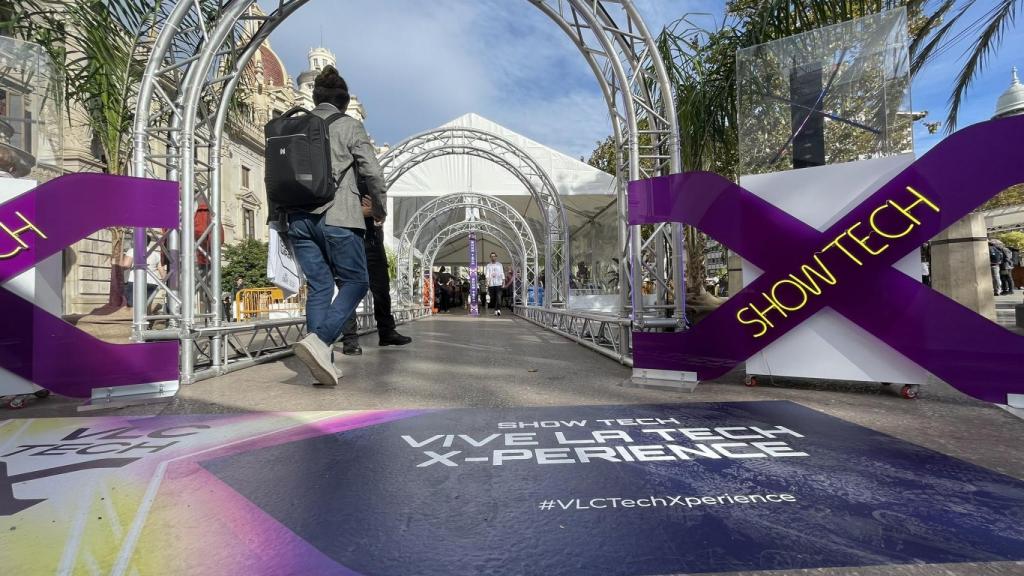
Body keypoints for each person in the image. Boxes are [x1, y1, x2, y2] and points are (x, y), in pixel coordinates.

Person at [275, 65, 386, 386]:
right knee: (356, 281)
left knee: (320, 287)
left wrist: (279, 219)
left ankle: (323, 362)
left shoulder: (293, 126)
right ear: (343, 103)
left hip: (299, 219)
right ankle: (321, 341)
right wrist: (379, 209)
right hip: (339, 217)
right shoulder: (349, 125)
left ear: (315, 98)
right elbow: (373, 172)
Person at [338, 196, 412, 356]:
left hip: (372, 238)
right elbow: (334, 208)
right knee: (349, 289)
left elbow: (379, 206)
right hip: (349, 238)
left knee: (382, 288)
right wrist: (358, 211)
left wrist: (378, 214)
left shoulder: (372, 186)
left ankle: (386, 332)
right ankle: (350, 339)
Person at [123, 241, 163, 310]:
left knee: (133, 305)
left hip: (135, 281)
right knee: (147, 305)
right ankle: (149, 315)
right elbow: (161, 269)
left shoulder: (133, 250)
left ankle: (138, 318)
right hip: (152, 282)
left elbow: (126, 265)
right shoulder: (156, 254)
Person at [485, 252, 504, 316]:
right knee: (493, 298)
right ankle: (496, 309)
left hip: (498, 283)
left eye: (494, 256)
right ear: (490, 257)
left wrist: (503, 282)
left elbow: (502, 273)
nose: (493, 257)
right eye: (492, 256)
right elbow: (487, 275)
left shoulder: (499, 265)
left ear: (496, 257)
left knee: (498, 297)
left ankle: (498, 310)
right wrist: (487, 283)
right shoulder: (488, 265)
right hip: (491, 284)